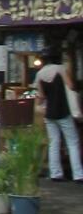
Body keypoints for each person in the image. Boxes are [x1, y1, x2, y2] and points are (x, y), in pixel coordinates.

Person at [34, 48, 83, 182]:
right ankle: (78, 175)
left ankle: (55, 173)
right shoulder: (60, 69)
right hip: (63, 111)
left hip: (49, 113)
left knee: (54, 143)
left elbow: (41, 96)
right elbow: (71, 86)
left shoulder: (39, 74)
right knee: (72, 143)